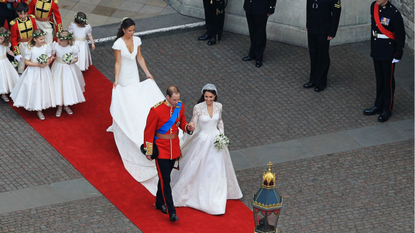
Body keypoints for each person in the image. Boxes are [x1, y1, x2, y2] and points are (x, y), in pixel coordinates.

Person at [106, 18, 165, 196]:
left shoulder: (137, 40)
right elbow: (118, 63)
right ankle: (120, 122)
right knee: (125, 99)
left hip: (134, 74)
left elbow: (139, 57)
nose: (132, 32)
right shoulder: (118, 44)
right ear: (124, 30)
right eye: (130, 30)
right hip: (124, 75)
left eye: (133, 30)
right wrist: (116, 80)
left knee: (135, 98)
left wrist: (147, 73)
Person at [171, 84, 243, 215]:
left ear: (214, 96)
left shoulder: (219, 106)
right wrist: (191, 126)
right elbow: (194, 121)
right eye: (206, 97)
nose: (208, 99)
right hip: (203, 140)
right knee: (197, 165)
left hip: (216, 140)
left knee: (217, 168)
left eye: (210, 97)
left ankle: (217, 196)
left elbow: (220, 121)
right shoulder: (198, 107)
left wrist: (221, 134)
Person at [143, 86, 195, 222]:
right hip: (161, 150)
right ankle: (171, 211)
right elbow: (148, 131)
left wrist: (187, 127)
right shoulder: (156, 110)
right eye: (174, 99)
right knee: (166, 180)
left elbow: (181, 122)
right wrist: (149, 151)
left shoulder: (179, 107)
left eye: (178, 99)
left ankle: (159, 202)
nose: (176, 101)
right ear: (167, 97)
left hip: (174, 149)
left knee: (164, 177)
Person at [363, 0, 405, 122]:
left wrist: (398, 53)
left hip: (388, 51)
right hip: (377, 49)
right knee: (379, 79)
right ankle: (378, 105)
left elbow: (400, 35)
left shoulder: (394, 13)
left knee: (388, 80)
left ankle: (387, 108)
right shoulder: (374, 6)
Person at [10, 29, 56, 120]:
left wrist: (47, 62)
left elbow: (49, 57)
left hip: (44, 71)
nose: (43, 41)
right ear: (35, 39)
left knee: (44, 87)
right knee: (35, 88)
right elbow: (26, 62)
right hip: (33, 70)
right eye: (41, 39)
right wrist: (38, 64)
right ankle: (38, 109)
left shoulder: (46, 46)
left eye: (43, 39)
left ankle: (43, 104)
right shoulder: (30, 48)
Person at [303, 0, 341, 92]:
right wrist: (308, 23)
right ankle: (313, 79)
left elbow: (336, 14)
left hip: (324, 30)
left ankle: (321, 82)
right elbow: (309, 8)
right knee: (313, 53)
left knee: (322, 55)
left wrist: (332, 32)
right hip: (312, 27)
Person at [51, 30, 85, 117]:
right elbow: (52, 55)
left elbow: (76, 58)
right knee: (58, 85)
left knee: (66, 85)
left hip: (68, 68)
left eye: (61, 40)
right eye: (59, 39)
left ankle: (66, 105)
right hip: (58, 67)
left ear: (67, 41)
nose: (59, 41)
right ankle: (59, 106)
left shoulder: (73, 47)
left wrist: (71, 61)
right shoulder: (56, 46)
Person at [242, 0, 277, 67]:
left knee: (260, 33)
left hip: (261, 8)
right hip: (250, 7)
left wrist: (271, 8)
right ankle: (252, 54)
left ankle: (259, 57)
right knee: (252, 32)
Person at [9, 2, 37, 74]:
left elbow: (35, 32)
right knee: (22, 62)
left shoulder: (32, 19)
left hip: (31, 42)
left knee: (33, 59)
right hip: (22, 45)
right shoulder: (14, 23)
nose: (23, 16)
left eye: (25, 13)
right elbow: (13, 39)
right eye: (21, 14)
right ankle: (20, 75)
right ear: (17, 12)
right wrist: (17, 53)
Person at [0, 27, 19, 102]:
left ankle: (3, 93)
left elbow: (8, 51)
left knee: (4, 78)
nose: (0, 40)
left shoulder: (6, 45)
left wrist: (16, 56)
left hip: (4, 62)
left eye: (2, 39)